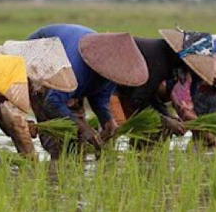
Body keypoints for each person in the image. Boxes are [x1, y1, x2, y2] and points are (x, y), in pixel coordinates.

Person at [27, 24, 149, 158]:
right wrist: (84, 127)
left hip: (68, 69)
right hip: (39, 55)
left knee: (78, 140)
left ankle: (71, 167)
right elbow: (52, 102)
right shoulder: (77, 69)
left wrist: (107, 121)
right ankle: (55, 170)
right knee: (58, 141)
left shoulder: (110, 72)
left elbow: (99, 100)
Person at [112, 29, 216, 144]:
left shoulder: (166, 57)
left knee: (154, 131)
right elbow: (137, 99)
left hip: (123, 85)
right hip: (109, 84)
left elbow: (148, 93)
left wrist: (167, 115)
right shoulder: (159, 60)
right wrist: (165, 119)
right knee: (113, 127)